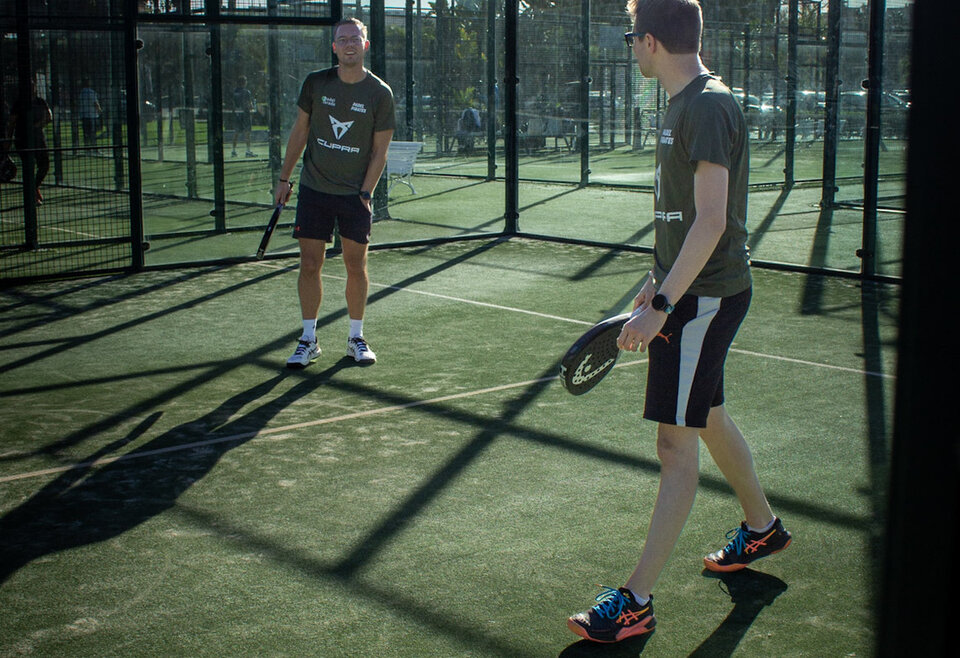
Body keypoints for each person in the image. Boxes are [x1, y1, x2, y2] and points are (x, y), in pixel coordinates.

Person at [566, 0, 791, 644]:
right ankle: (762, 527)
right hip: (687, 292)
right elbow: (678, 217)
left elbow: (713, 220)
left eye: (633, 35)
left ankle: (635, 601)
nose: (630, 45)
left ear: (654, 41)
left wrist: (663, 306)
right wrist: (652, 284)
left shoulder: (708, 106)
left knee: (675, 445)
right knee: (707, 414)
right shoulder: (680, 104)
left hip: (705, 299)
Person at [274, 17, 395, 368]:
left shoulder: (379, 93)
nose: (349, 45)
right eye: (342, 40)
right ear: (334, 47)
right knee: (310, 263)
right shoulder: (316, 84)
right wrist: (285, 178)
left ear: (365, 45)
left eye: (355, 39)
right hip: (314, 189)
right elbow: (300, 132)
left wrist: (366, 193)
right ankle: (308, 340)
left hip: (353, 196)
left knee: (355, 265)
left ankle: (356, 338)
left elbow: (380, 151)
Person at [6, 77, 52, 205]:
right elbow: (12, 123)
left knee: (44, 165)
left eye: (33, 86)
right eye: (29, 86)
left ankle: (34, 187)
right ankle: (32, 195)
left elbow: (49, 117)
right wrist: (8, 140)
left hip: (39, 139)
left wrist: (37, 125)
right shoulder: (19, 103)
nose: (32, 88)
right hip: (23, 139)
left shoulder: (40, 101)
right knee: (28, 167)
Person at [231, 75, 256, 158]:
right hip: (245, 114)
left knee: (236, 133)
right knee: (247, 133)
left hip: (237, 114)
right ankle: (248, 151)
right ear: (244, 82)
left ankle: (233, 151)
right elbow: (249, 104)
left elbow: (233, 104)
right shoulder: (246, 92)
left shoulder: (234, 92)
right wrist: (252, 108)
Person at [78, 80, 102, 153]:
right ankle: (95, 148)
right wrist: (99, 110)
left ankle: (87, 149)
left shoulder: (81, 93)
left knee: (86, 133)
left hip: (84, 115)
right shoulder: (91, 92)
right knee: (93, 133)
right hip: (92, 115)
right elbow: (95, 102)